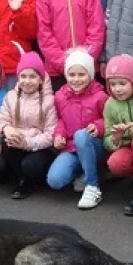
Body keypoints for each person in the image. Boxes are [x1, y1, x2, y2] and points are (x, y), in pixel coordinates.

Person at [36, 0, 106, 89]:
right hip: (57, 69)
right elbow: (44, 33)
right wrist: (63, 62)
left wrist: (84, 60)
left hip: (85, 68)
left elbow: (96, 29)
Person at [47, 50, 109, 210]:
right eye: (72, 74)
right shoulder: (60, 96)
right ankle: (88, 172)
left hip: (93, 146)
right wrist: (59, 134)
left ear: (90, 75)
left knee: (81, 135)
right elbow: (60, 119)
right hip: (71, 148)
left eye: (81, 74)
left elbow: (108, 119)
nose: (76, 79)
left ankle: (92, 186)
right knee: (55, 180)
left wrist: (98, 126)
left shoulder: (100, 96)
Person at [0, 51, 58, 199]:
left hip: (40, 147)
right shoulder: (10, 96)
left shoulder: (49, 101)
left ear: (41, 79)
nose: (27, 81)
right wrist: (6, 128)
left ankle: (28, 181)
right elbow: (0, 121)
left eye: (32, 76)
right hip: (16, 142)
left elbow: (51, 134)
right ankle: (19, 175)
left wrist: (27, 143)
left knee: (30, 166)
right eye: (23, 76)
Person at [103, 55, 133, 198]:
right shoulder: (110, 104)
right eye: (113, 84)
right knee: (115, 163)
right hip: (127, 146)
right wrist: (115, 138)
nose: (117, 89)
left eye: (122, 83)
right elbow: (106, 139)